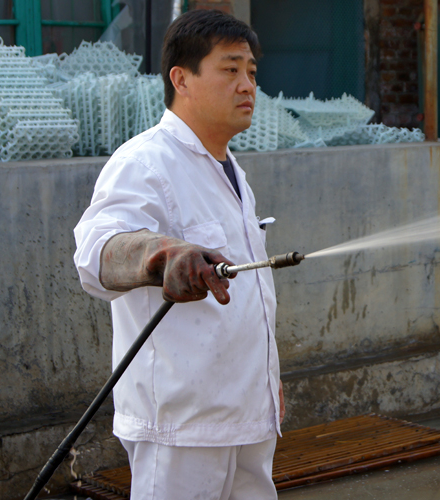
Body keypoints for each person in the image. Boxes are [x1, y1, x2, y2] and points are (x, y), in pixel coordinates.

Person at [73, 10, 284, 499]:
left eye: (251, 72)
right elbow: (95, 254)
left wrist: (268, 380)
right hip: (181, 426)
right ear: (181, 79)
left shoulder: (230, 170)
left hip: (247, 415)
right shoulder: (145, 162)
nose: (247, 85)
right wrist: (162, 253)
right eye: (230, 69)